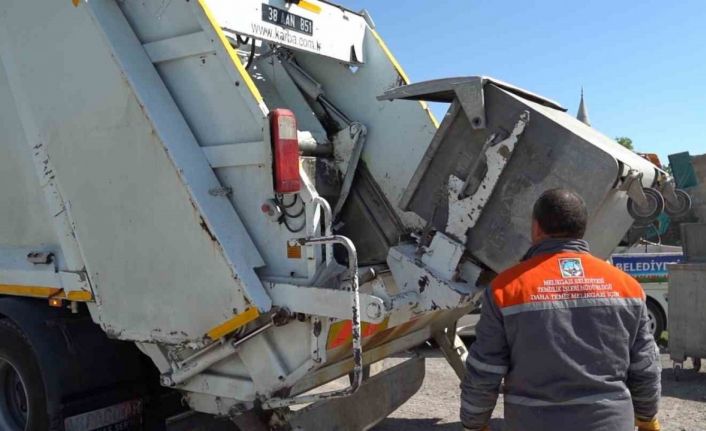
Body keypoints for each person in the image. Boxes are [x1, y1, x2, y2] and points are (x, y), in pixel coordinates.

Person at [460, 188, 661, 431]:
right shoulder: (627, 287)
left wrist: (474, 423)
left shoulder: (505, 289)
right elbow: (645, 366)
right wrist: (647, 418)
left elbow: (485, 370)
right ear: (582, 228)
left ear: (536, 228)